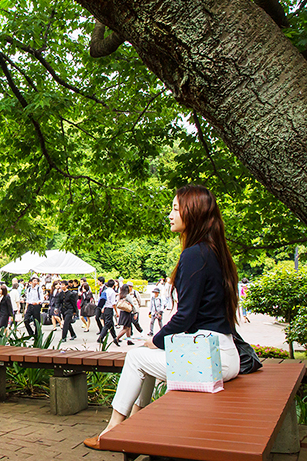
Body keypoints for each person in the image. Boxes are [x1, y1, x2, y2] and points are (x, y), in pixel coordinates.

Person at [84, 185, 241, 450]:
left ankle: (113, 430)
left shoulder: (195, 254)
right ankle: (136, 424)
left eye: (176, 209)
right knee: (145, 359)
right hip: (223, 353)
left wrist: (155, 340)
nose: (170, 214)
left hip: (208, 360)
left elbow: (185, 317)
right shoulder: (216, 251)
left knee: (135, 356)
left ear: (193, 213)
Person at [97, 279, 120, 347]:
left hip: (105, 308)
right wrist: (116, 312)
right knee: (107, 324)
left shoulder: (105, 291)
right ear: (113, 285)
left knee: (111, 324)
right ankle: (101, 338)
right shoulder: (112, 292)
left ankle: (115, 338)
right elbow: (113, 303)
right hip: (109, 309)